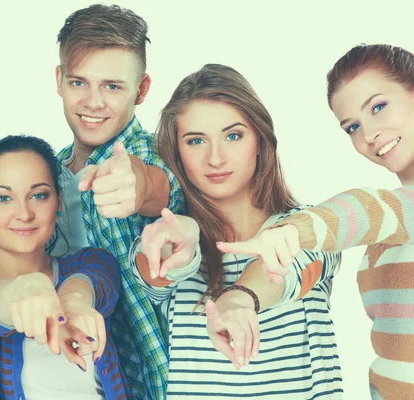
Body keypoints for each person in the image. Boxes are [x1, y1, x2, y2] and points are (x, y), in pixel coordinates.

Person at [131, 64, 343, 398]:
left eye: (233, 136)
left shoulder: (316, 227)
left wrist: (239, 300)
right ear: (178, 153)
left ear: (259, 141)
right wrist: (183, 238)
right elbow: (156, 270)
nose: (215, 158)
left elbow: (291, 258)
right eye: (196, 140)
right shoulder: (161, 237)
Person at [218, 44, 414, 400]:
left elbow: (366, 208)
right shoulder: (396, 221)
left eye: (379, 107)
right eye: (352, 126)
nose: (368, 134)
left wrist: (292, 231)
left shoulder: (395, 210)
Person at [51, 5, 184, 398]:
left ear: (141, 90)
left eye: (112, 86)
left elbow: (161, 186)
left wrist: (140, 187)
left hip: (163, 384)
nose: (93, 102)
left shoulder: (163, 156)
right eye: (79, 83)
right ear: (59, 80)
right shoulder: (47, 177)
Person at [0, 135, 130, 399]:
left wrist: (72, 300)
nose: (24, 214)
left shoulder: (91, 261)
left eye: (38, 195)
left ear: (58, 202)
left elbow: (98, 279)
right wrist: (24, 288)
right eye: (3, 198)